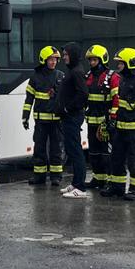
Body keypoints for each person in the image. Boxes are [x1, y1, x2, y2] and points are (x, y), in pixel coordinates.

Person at [104, 47, 135, 201]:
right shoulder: (124, 80)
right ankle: (117, 187)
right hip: (121, 128)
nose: (118, 66)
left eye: (121, 63)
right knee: (116, 158)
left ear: (130, 63)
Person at [20, 45, 65, 187]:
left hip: (56, 120)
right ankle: (39, 176)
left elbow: (65, 98)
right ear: (44, 60)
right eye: (51, 59)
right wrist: (25, 117)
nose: (53, 62)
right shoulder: (35, 78)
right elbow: (29, 99)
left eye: (55, 59)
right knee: (39, 148)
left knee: (56, 149)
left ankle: (56, 177)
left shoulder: (60, 76)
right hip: (40, 121)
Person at [57, 43, 91, 199]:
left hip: (72, 116)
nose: (64, 57)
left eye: (66, 54)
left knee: (76, 151)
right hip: (69, 116)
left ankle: (80, 187)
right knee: (71, 150)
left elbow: (83, 94)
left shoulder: (76, 72)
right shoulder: (73, 70)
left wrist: (67, 108)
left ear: (73, 55)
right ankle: (75, 183)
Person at [83, 44, 116, 192]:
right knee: (94, 153)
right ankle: (98, 178)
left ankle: (110, 180)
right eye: (90, 60)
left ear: (103, 60)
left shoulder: (111, 77)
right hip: (92, 121)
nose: (92, 63)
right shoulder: (88, 76)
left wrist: (112, 120)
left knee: (107, 153)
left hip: (105, 122)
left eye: (95, 60)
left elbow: (116, 100)